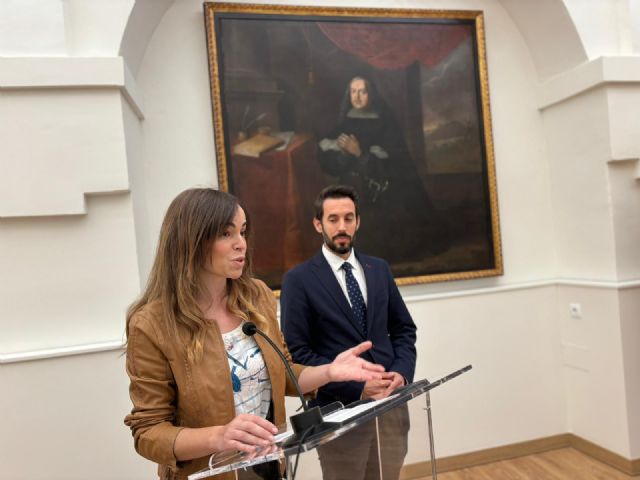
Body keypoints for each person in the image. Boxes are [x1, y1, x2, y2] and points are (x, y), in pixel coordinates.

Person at [124, 188, 384, 480]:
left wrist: (329, 372)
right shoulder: (151, 324)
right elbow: (149, 432)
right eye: (226, 234)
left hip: (268, 467)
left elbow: (283, 373)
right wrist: (219, 437)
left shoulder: (256, 296)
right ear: (191, 241)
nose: (241, 244)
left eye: (243, 231)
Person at [280, 184, 417, 480]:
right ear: (318, 224)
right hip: (339, 414)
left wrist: (401, 374)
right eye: (333, 219)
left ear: (358, 222)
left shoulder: (379, 269)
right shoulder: (298, 280)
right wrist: (358, 387)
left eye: (348, 218)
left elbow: (404, 330)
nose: (342, 227)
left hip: (391, 406)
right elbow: (298, 354)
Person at [317, 75, 450, 264]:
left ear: (371, 94)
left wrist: (360, 153)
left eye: (362, 91)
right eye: (353, 92)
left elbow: (394, 164)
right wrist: (344, 155)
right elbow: (331, 163)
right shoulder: (347, 120)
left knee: (384, 243)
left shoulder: (386, 122)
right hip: (354, 187)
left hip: (387, 189)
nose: (357, 97)